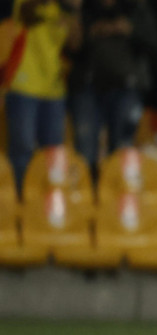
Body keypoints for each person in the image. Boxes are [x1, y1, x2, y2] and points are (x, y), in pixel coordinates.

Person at [67, 0, 157, 181]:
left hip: (127, 87)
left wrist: (129, 29)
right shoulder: (83, 7)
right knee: (85, 151)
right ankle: (87, 200)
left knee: (122, 153)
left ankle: (117, 202)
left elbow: (154, 43)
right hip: (88, 87)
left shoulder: (136, 6)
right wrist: (90, 28)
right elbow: (70, 48)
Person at [3, 0, 81, 197]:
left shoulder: (64, 8)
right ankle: (21, 200)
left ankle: (48, 203)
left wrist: (74, 10)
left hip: (54, 89)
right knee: (23, 149)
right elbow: (25, 13)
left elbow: (75, 42)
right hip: (23, 84)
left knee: (53, 153)